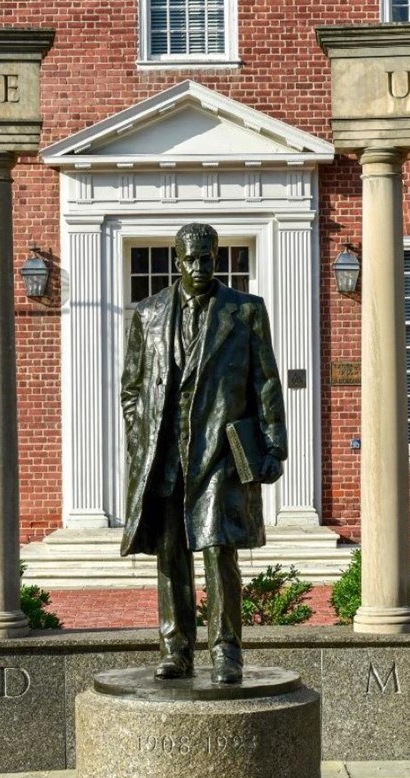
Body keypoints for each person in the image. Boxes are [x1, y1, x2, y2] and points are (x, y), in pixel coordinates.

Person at [119, 223, 287, 684]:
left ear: (217, 257)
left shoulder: (245, 311)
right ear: (177, 260)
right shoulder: (149, 313)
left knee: (218, 550)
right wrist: (141, 436)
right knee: (171, 554)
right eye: (191, 258)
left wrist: (274, 446)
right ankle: (175, 649)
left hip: (219, 450)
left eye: (207, 257)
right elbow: (131, 387)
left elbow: (265, 381)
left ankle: (226, 652)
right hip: (165, 453)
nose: (199, 266)